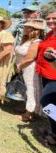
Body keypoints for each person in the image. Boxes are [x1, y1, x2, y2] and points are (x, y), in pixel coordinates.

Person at [15, 19, 44, 122]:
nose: (26, 29)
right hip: (25, 68)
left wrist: (19, 66)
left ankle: (28, 114)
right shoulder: (28, 40)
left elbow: (30, 58)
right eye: (26, 27)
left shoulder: (36, 41)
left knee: (32, 90)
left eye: (29, 27)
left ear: (36, 30)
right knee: (28, 89)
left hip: (29, 69)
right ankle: (29, 110)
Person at [36, 10, 56, 145]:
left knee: (46, 102)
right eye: (48, 18)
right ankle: (54, 132)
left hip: (54, 75)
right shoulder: (49, 34)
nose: (50, 21)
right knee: (51, 105)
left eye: (54, 18)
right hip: (45, 73)